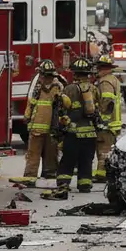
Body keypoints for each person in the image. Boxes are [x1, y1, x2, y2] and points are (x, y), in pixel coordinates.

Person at [42, 56, 99, 198]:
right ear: (88, 74)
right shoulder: (94, 89)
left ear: (75, 74)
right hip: (90, 133)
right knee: (86, 160)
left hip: (73, 133)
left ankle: (63, 183)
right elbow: (98, 109)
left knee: (68, 160)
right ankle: (84, 183)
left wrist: (59, 129)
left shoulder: (69, 89)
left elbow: (62, 110)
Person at [9, 59, 62, 185]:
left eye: (47, 76)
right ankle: (32, 176)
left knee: (47, 153)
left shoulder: (55, 87)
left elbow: (60, 107)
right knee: (34, 154)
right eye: (45, 76)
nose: (45, 78)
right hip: (42, 128)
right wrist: (27, 117)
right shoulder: (47, 87)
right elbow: (31, 103)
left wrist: (27, 117)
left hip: (47, 128)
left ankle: (45, 175)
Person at [92, 53, 122, 183]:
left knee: (103, 149)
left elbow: (107, 100)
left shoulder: (105, 81)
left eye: (98, 69)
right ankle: (106, 173)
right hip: (113, 122)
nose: (97, 72)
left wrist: (101, 118)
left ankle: (102, 174)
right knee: (108, 148)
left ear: (102, 68)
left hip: (106, 124)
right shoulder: (113, 79)